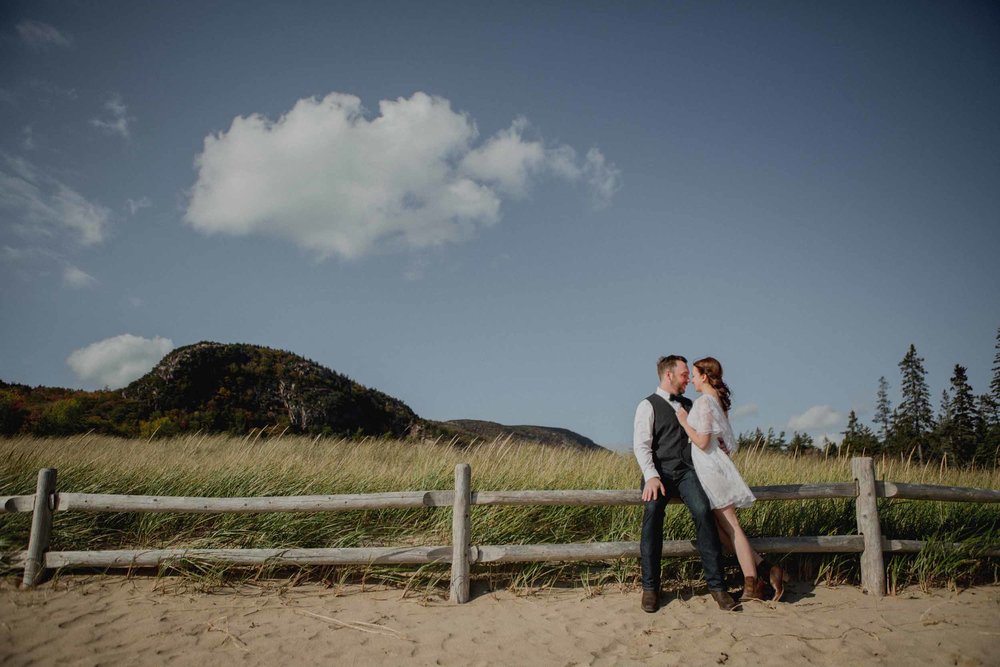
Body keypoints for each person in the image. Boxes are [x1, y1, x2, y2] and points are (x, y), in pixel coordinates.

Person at [676, 356, 784, 602]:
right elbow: (723, 442)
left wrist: (684, 422)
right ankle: (766, 569)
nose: (691, 379)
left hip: (711, 470)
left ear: (704, 376)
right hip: (710, 468)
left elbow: (702, 441)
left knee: (732, 527)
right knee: (721, 528)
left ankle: (752, 584)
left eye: (694, 374)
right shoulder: (716, 401)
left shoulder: (704, 402)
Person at [633, 355, 735, 612]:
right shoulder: (647, 405)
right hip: (659, 473)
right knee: (653, 512)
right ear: (669, 375)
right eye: (683, 374)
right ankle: (650, 587)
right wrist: (651, 476)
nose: (688, 379)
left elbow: (701, 438)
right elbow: (641, 446)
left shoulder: (692, 404)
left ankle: (717, 587)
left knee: (703, 510)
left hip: (688, 472)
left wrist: (718, 444)